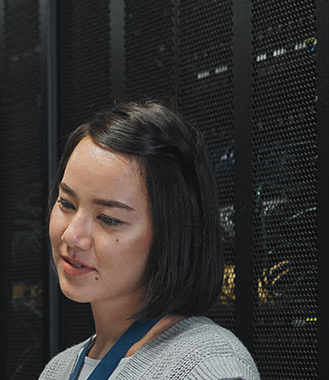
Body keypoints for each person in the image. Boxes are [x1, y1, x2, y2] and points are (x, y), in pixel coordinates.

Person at [38, 101, 259, 380]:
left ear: (171, 235)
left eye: (108, 219)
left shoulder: (207, 367)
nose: (72, 235)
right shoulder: (58, 370)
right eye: (66, 203)